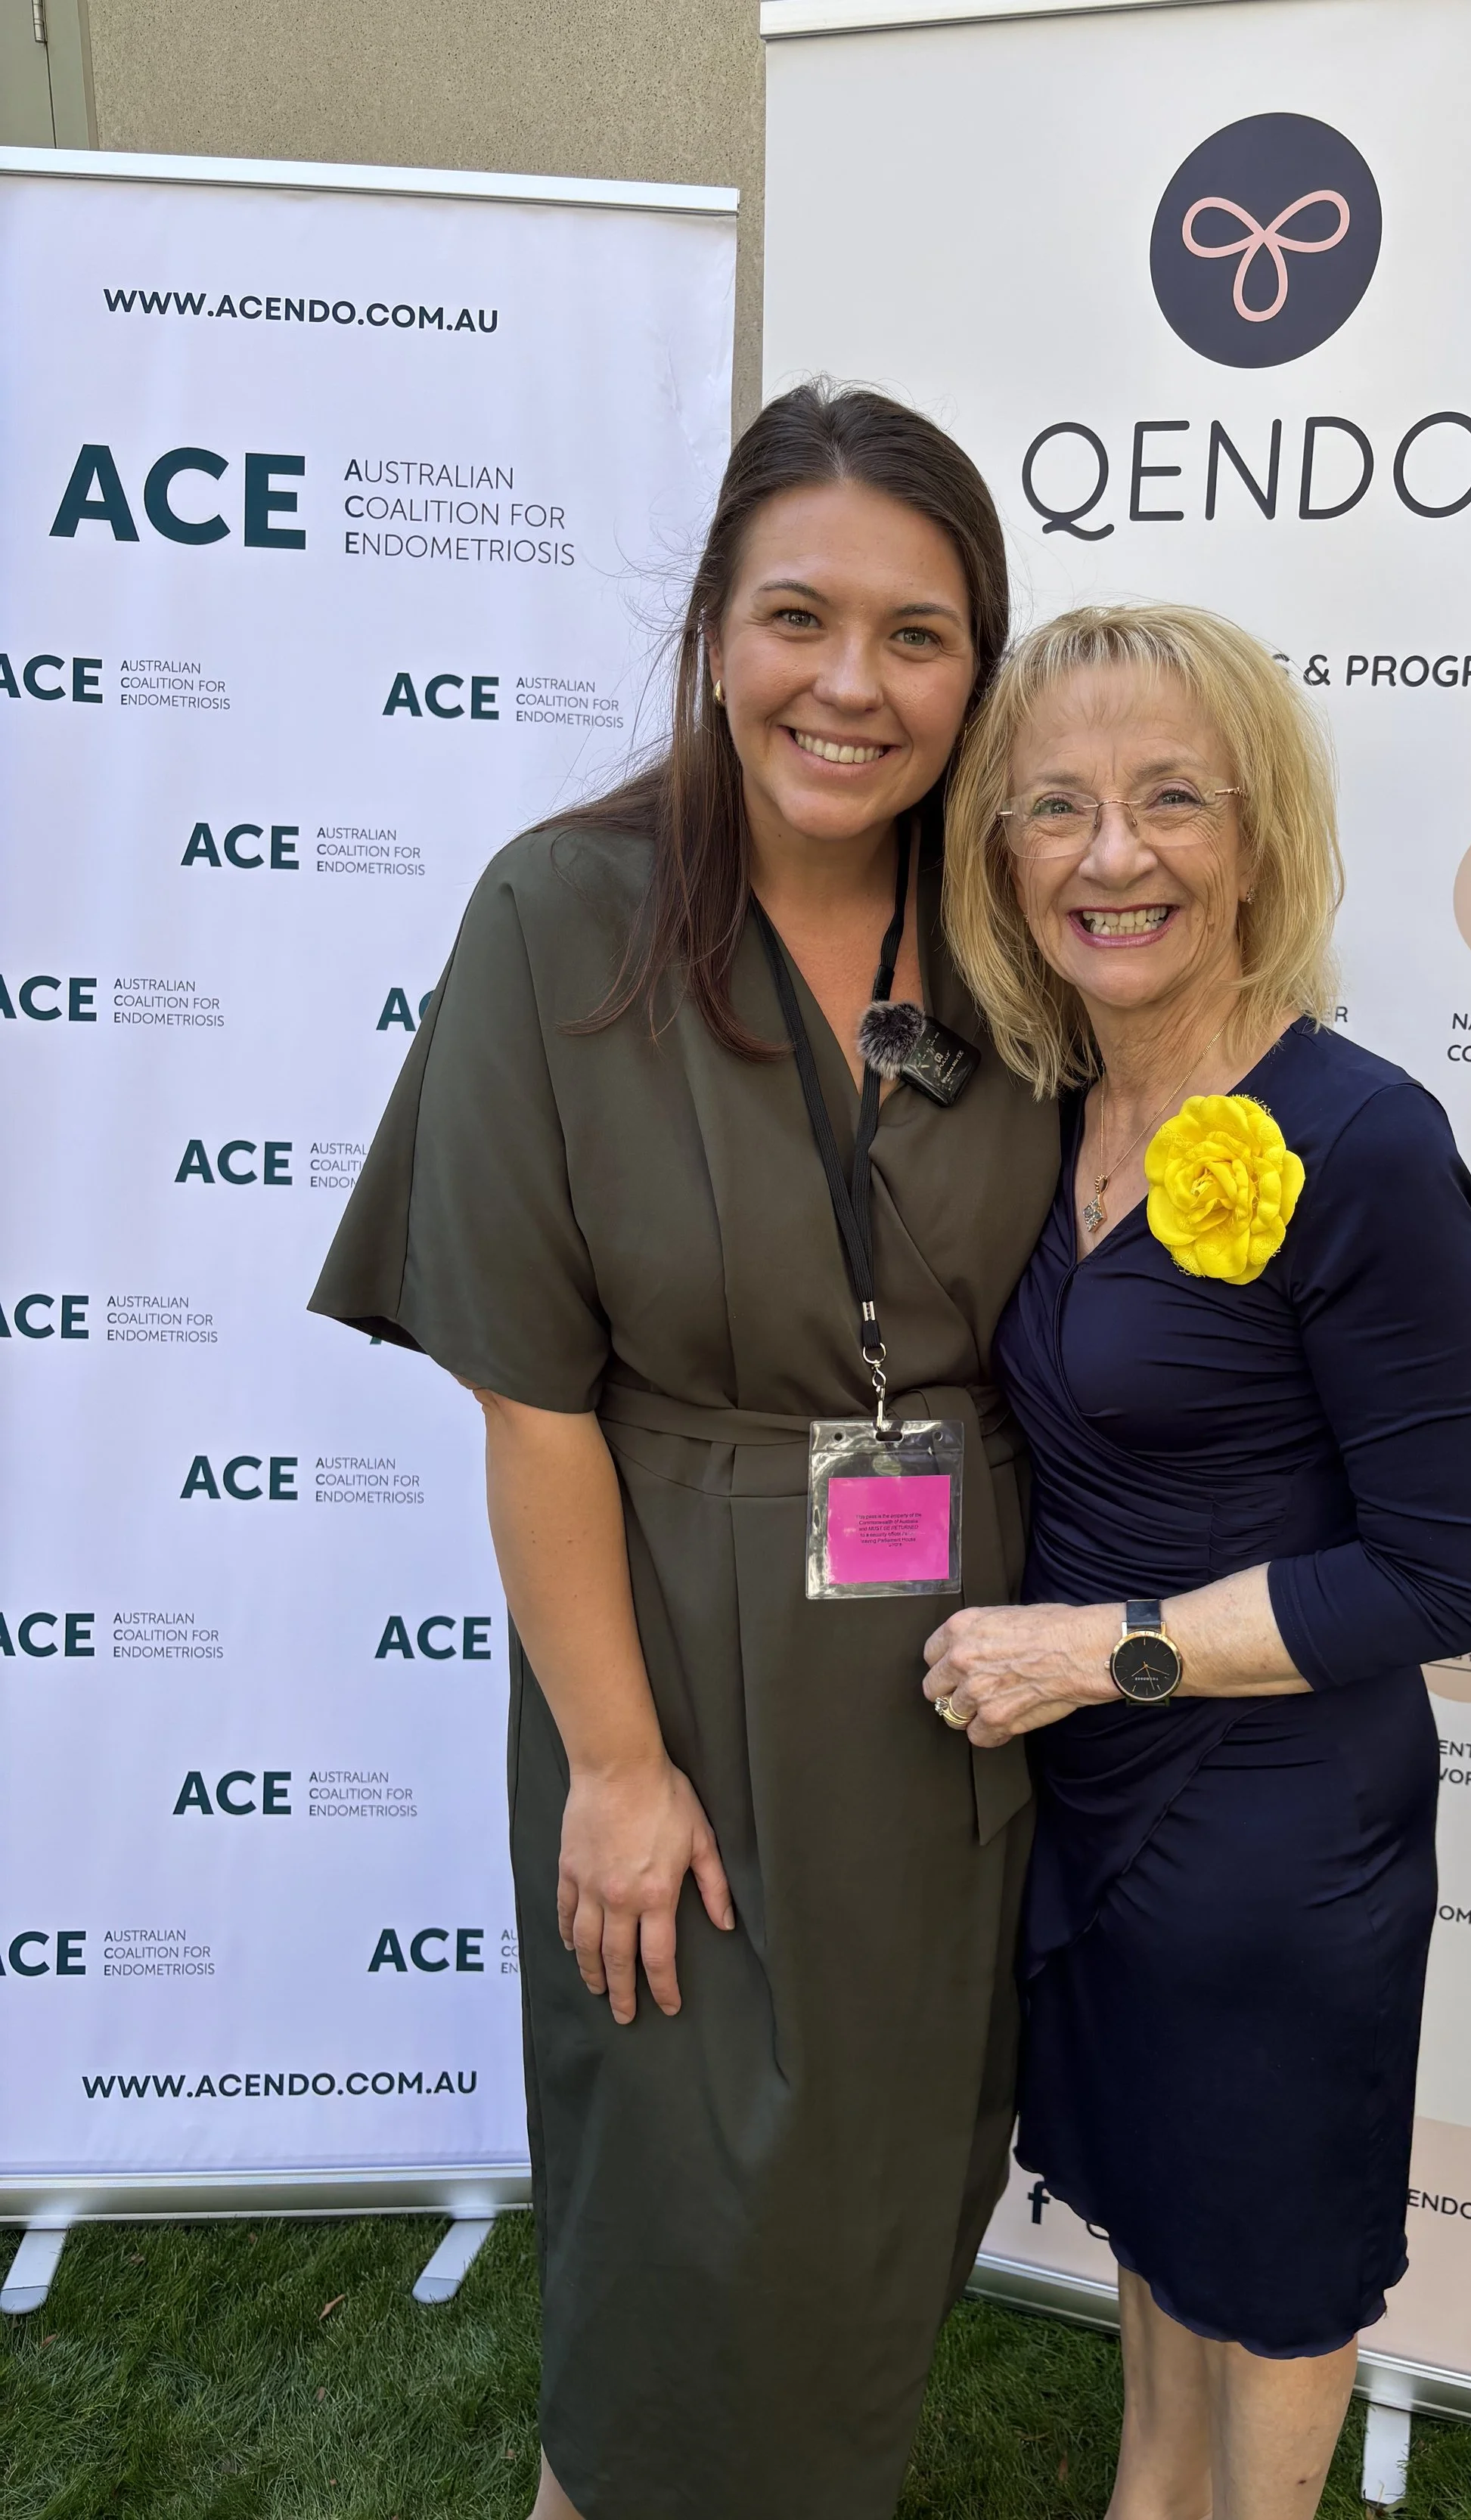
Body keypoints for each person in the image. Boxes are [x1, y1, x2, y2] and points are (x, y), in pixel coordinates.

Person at [309, 384, 1061, 2520]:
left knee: (877, 2204)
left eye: (918, 635)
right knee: (684, 2219)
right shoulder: (563, 917)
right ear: (711, 631)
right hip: (678, 1661)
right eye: (796, 616)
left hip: (950, 1673)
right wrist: (617, 1771)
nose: (852, 683)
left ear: (977, 667)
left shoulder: (1016, 931)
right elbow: (530, 1403)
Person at [928, 603, 1471, 2520]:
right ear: (999, 857)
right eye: (1056, 809)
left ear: (1255, 835)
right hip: (1090, 1812)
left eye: (1171, 798)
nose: (1112, 855)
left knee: (1263, 2266)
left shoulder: (1359, 1141)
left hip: (1273, 1832)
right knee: (1159, 2223)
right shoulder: (1041, 1109)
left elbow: (1430, 1582)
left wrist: (1093, 1654)